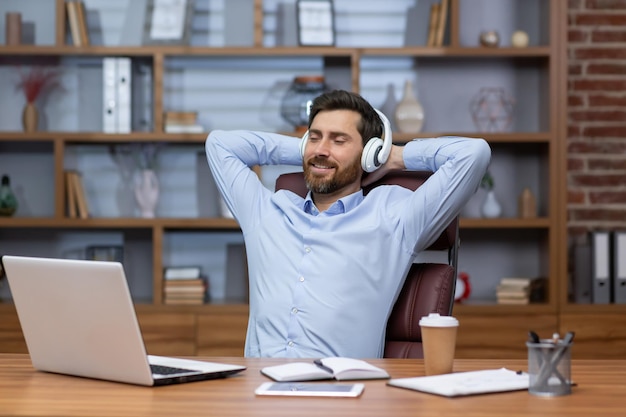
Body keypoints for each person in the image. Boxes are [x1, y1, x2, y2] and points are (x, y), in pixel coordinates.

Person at [205, 89, 491, 358]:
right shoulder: (265, 212)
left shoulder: (395, 217)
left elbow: (473, 154)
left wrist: (390, 156)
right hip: (259, 395)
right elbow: (219, 144)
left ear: (368, 153)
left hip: (342, 397)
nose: (322, 148)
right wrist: (310, 152)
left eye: (339, 140)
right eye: (314, 137)